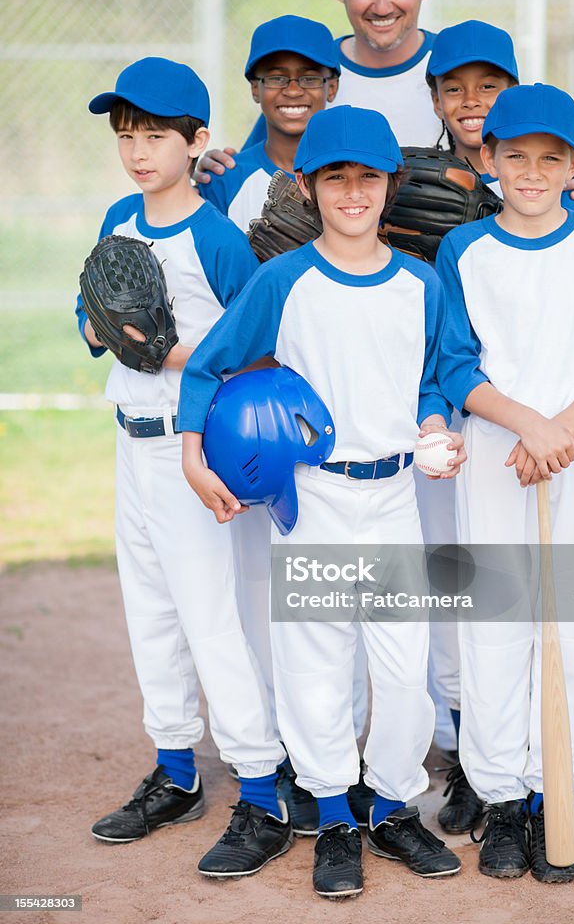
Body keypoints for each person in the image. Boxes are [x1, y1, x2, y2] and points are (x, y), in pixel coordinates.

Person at [178, 104, 465, 898]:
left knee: (404, 672)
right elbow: (209, 366)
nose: (350, 192)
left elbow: (436, 376)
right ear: (305, 187)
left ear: (390, 186)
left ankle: (393, 806)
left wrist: (438, 423)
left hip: (396, 494)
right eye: (333, 176)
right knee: (316, 666)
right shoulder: (284, 279)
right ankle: (335, 815)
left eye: (366, 177)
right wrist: (194, 456)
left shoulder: (420, 282)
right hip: (313, 495)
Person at [76, 56, 294, 879]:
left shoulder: (214, 237)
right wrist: (108, 327)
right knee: (152, 616)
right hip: (128, 446)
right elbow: (93, 319)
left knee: (211, 622)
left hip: (188, 445)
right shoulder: (116, 215)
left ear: (197, 141)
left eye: (158, 136)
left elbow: (251, 352)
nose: (139, 152)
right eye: (127, 135)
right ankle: (174, 773)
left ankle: (263, 791)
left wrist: (163, 347)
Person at [436, 83, 574, 882]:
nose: (529, 171)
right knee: (494, 627)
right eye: (513, 155)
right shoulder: (467, 250)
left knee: (571, 626)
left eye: (548, 158)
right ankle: (497, 801)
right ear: (487, 160)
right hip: (495, 456)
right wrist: (529, 425)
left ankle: (548, 794)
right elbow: (454, 360)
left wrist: (558, 431)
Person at [195, 0, 574, 201]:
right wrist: (214, 165)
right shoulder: (314, 75)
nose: (382, 5)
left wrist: (562, 176)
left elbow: (532, 148)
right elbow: (259, 166)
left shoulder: (456, 66)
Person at [199, 14, 340, 231]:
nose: (293, 91)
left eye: (309, 78)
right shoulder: (226, 179)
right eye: (276, 78)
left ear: (331, 87)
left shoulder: (354, 177)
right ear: (256, 89)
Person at [427, 18, 574, 209]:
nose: (470, 101)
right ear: (437, 102)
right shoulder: (423, 180)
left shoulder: (546, 183)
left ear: (511, 93)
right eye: (454, 89)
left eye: (487, 86)